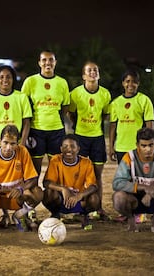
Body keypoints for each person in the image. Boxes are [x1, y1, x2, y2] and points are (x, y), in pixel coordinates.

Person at [0, 65, 33, 228]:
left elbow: (26, 122)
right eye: (1, 77)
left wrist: (22, 143)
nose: (5, 80)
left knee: (15, 179)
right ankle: (5, 215)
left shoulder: (21, 97)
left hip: (14, 145)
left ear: (13, 79)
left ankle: (19, 214)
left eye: (8, 77)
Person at [0, 124, 43, 232]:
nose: (8, 147)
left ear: (18, 143)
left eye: (13, 144)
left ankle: (18, 216)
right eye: (5, 142)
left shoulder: (23, 152)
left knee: (37, 192)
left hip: (14, 196)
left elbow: (33, 179)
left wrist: (21, 189)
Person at [68, 61, 112, 220]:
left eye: (95, 70)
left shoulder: (105, 94)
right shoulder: (75, 93)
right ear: (83, 75)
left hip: (98, 138)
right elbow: (71, 113)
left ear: (98, 74)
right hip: (80, 138)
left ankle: (99, 208)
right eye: (89, 70)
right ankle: (81, 208)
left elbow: (105, 115)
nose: (92, 72)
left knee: (97, 175)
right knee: (80, 176)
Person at [21, 50, 70, 176]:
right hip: (36, 130)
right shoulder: (30, 81)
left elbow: (65, 107)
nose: (47, 63)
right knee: (35, 169)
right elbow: (23, 104)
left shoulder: (62, 82)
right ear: (39, 63)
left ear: (55, 63)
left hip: (56, 131)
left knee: (56, 169)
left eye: (51, 60)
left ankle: (53, 194)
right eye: (44, 60)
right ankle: (36, 194)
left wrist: (54, 118)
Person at [42, 134, 100, 230]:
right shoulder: (55, 160)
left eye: (72, 146)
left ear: (78, 149)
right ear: (61, 149)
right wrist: (63, 189)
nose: (69, 149)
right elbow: (46, 182)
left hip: (78, 200)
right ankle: (56, 214)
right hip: (61, 200)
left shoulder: (86, 162)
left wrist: (80, 195)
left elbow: (93, 186)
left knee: (94, 198)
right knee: (48, 193)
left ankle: (84, 215)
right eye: (65, 146)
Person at [109, 69, 154, 164]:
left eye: (134, 81)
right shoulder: (115, 103)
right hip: (121, 147)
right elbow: (113, 126)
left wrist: (149, 145)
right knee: (124, 176)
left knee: (138, 175)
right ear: (123, 83)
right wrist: (111, 147)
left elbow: (149, 125)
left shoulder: (144, 100)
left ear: (138, 83)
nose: (130, 84)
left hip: (138, 146)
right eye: (127, 81)